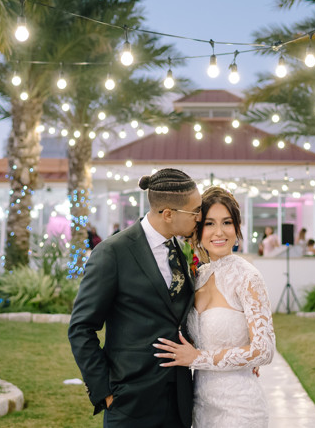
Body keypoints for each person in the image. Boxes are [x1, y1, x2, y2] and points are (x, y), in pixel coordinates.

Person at [68, 168, 201, 427]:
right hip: (129, 402)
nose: (199, 216)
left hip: (180, 402)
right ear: (168, 214)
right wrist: (104, 391)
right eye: (195, 210)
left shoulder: (179, 248)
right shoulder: (112, 253)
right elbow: (81, 328)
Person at [154, 186, 274, 428]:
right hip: (200, 405)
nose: (219, 232)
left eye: (227, 222)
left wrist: (198, 358)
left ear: (237, 228)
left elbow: (264, 350)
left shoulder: (248, 277)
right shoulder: (197, 276)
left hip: (240, 408)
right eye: (209, 223)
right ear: (198, 229)